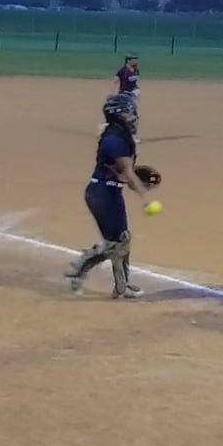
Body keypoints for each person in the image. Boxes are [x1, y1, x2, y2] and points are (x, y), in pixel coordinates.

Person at [63, 93, 150, 299]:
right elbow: (127, 172)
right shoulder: (113, 140)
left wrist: (137, 183)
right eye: (128, 112)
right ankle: (76, 272)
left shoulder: (121, 135)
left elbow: (123, 175)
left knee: (121, 240)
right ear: (117, 115)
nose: (133, 116)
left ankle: (122, 285)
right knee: (115, 243)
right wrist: (146, 197)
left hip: (110, 192)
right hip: (101, 194)